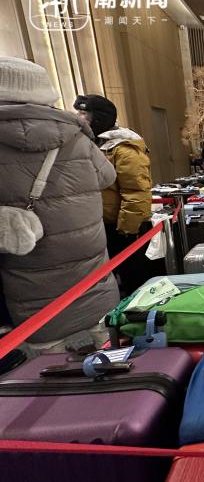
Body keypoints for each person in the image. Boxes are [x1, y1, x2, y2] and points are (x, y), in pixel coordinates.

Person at [0, 57, 119, 354]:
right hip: (92, 278)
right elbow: (107, 176)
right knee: (112, 358)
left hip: (33, 293)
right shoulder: (75, 135)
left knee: (50, 371)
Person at [74, 94, 153, 295]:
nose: (78, 117)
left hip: (122, 227)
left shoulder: (123, 147)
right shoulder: (90, 145)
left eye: (83, 113)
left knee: (133, 279)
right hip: (100, 225)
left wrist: (127, 229)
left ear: (98, 117)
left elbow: (136, 191)